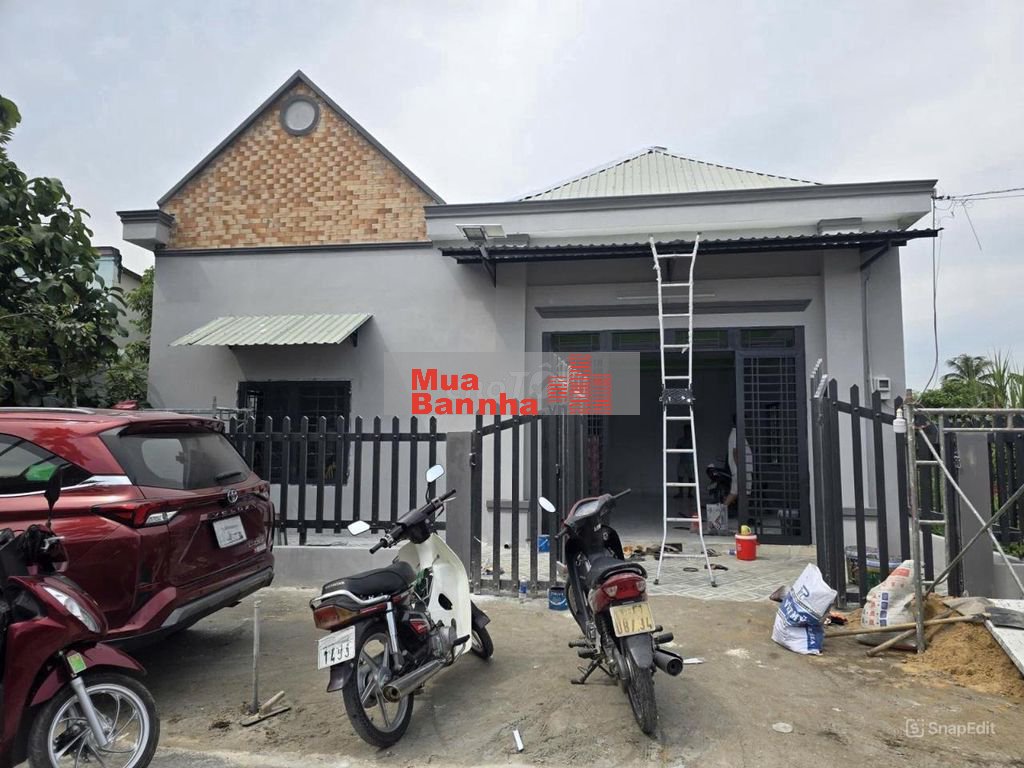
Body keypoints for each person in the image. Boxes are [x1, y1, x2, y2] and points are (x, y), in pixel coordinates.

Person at [725, 415, 753, 510]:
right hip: (740, 470)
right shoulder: (735, 434)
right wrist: (740, 468)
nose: (746, 423)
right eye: (745, 421)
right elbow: (735, 452)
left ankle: (745, 514)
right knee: (735, 492)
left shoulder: (739, 434)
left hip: (743, 469)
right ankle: (719, 513)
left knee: (744, 492)